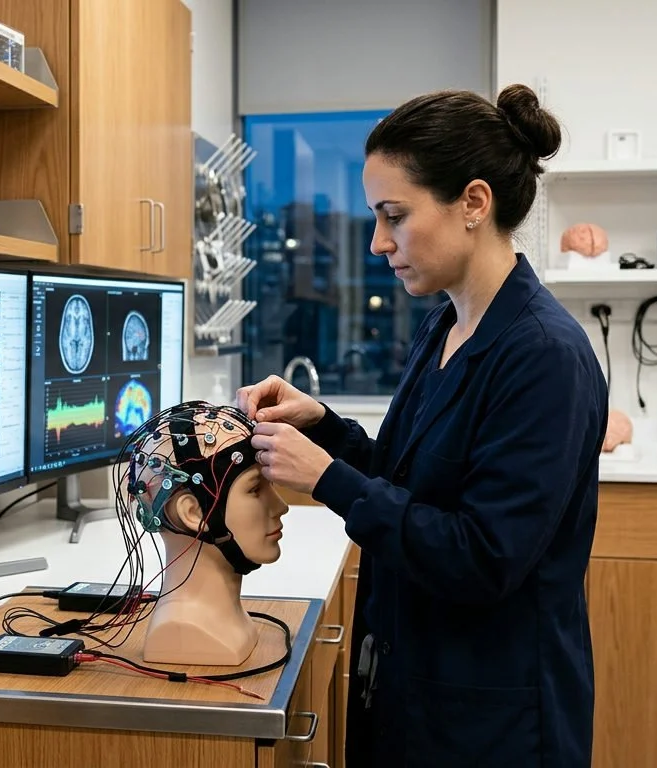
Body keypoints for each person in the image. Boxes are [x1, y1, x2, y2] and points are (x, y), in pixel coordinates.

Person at [238, 84, 607, 767]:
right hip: (415, 687)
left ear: (473, 203)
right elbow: (411, 479)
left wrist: (329, 480)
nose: (378, 243)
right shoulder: (445, 324)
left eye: (395, 216)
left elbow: (482, 557)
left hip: (493, 720)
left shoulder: (544, 355)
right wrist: (323, 427)